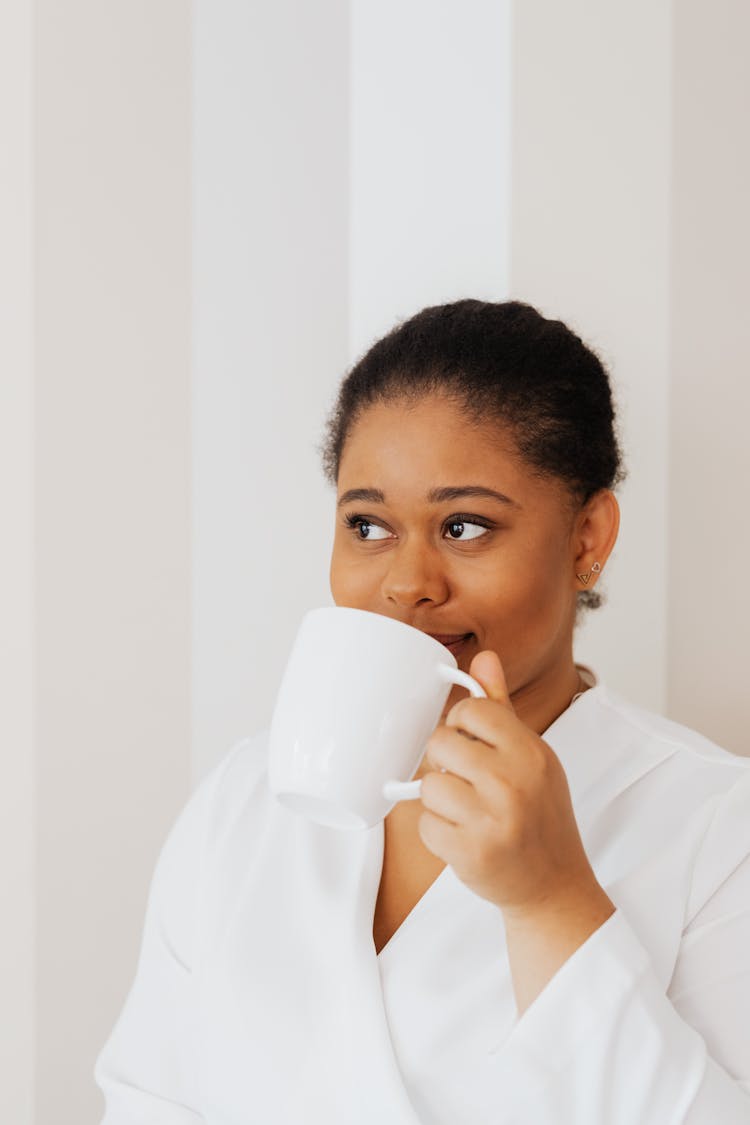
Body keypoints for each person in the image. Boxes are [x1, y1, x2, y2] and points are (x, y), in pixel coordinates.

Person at [94, 299, 750, 1123]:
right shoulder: (243, 799)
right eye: (367, 524)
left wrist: (551, 901)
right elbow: (148, 1098)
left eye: (465, 526)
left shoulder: (720, 826)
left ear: (586, 538)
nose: (408, 582)